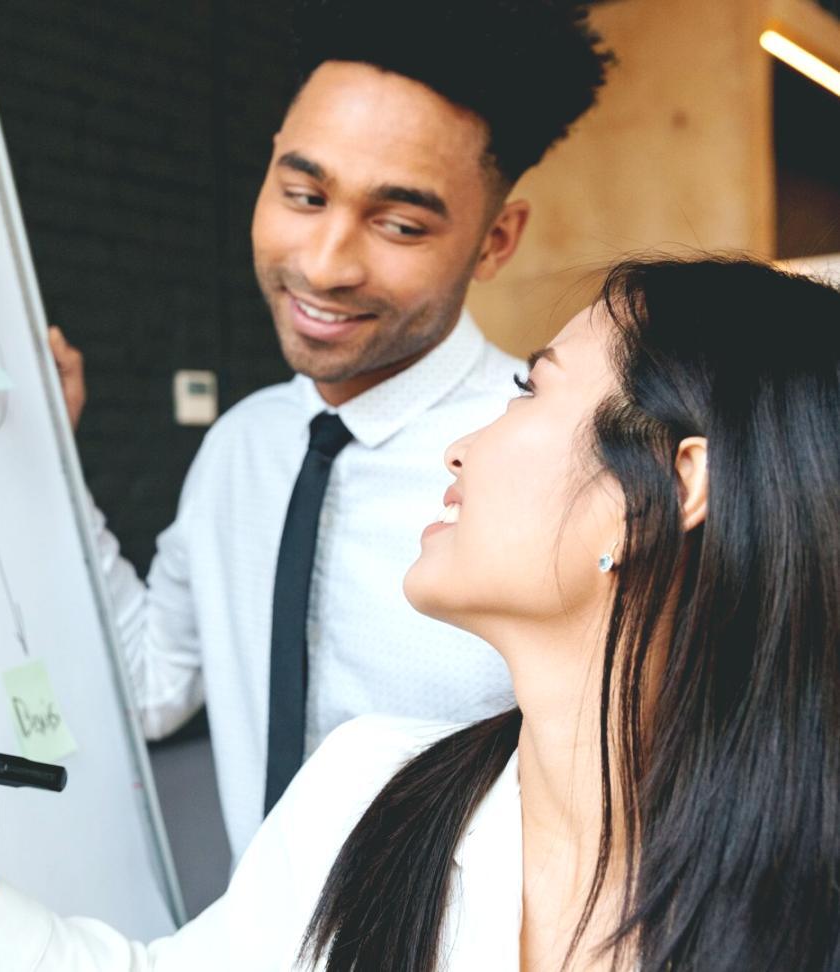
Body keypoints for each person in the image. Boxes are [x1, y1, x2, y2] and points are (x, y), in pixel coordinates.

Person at [0, 256, 840, 970]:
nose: (458, 449)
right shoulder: (374, 790)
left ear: (673, 481)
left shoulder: (803, 911)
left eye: (532, 392)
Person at [48, 0, 613, 858]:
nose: (322, 264)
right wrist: (51, 459)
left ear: (496, 241)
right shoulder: (241, 445)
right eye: (303, 194)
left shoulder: (566, 466)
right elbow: (154, 683)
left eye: (398, 224)